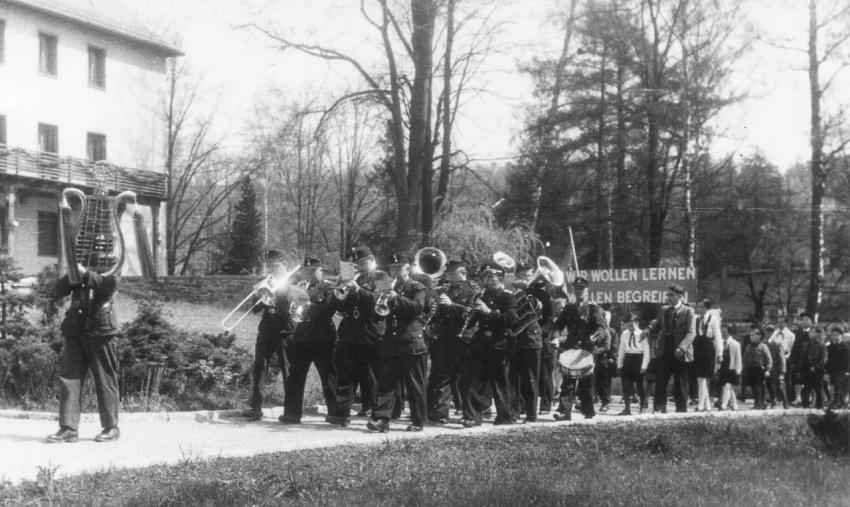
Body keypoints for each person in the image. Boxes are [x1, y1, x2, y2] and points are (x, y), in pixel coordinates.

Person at [47, 262, 121, 443]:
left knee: (105, 379)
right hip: (75, 330)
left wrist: (84, 272)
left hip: (101, 330)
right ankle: (68, 428)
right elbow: (58, 290)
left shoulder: (113, 262)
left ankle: (111, 427)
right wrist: (72, 273)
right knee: (69, 379)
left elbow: (107, 285)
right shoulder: (80, 265)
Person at [280, 257, 342, 425]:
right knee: (295, 376)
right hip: (302, 337)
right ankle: (292, 414)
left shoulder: (328, 287)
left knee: (328, 376)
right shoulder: (301, 286)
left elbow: (330, 308)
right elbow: (293, 311)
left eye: (312, 270)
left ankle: (336, 414)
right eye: (306, 271)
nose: (308, 274)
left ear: (320, 270)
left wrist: (309, 305)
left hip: (322, 338)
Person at [367, 264, 428, 433]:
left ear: (407, 270)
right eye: (392, 269)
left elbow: (417, 308)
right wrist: (378, 303)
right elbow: (379, 316)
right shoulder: (390, 288)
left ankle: (417, 421)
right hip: (392, 341)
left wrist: (395, 298)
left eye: (398, 269)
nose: (394, 272)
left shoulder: (417, 287)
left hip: (411, 341)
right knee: (386, 383)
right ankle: (381, 419)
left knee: (414, 383)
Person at [459, 261, 518, 427]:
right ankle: (472, 417)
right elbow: (474, 321)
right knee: (475, 381)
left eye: (491, 276)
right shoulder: (480, 296)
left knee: (500, 382)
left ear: (500, 277)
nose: (487, 279)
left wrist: (489, 312)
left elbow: (511, 319)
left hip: (499, 344)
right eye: (485, 276)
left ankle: (506, 416)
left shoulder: (507, 296)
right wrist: (468, 315)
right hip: (481, 344)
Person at [243, 249, 297, 421]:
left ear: (283, 263)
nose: (272, 269)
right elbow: (255, 310)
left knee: (287, 370)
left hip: (284, 331)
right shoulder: (267, 282)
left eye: (275, 265)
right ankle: (256, 407)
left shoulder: (293, 282)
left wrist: (275, 295)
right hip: (266, 330)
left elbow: (292, 309)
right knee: (258, 368)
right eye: (269, 265)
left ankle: (291, 411)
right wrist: (258, 294)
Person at [332, 245, 381, 426]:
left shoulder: (381, 277)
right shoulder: (353, 278)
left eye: (362, 262)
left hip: (370, 333)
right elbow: (340, 308)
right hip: (350, 333)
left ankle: (377, 414)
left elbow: (381, 301)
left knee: (373, 376)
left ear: (372, 260)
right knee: (346, 374)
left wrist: (359, 290)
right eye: (356, 264)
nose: (359, 267)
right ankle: (342, 414)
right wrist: (340, 295)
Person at [426, 260, 477, 423]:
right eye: (448, 274)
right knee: (442, 376)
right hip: (445, 337)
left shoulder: (473, 290)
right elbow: (440, 314)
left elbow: (470, 313)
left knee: (465, 377)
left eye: (451, 273)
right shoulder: (445, 289)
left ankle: (469, 414)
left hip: (463, 338)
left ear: (462, 273)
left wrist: (451, 304)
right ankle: (440, 414)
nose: (448, 277)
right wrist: (435, 309)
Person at [552, 277, 608, 421]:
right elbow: (557, 325)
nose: (578, 292)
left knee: (586, 384)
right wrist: (556, 338)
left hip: (586, 351)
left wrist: (595, 337)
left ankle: (588, 413)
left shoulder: (594, 309)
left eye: (581, 289)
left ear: (587, 291)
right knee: (568, 383)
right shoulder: (569, 308)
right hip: (571, 349)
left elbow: (601, 329)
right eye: (576, 289)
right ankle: (565, 412)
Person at [650, 285, 696, 413]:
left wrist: (682, 348)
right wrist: (648, 330)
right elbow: (658, 326)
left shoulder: (688, 311)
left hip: (680, 352)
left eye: (671, 295)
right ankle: (659, 409)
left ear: (680, 296)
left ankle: (681, 411)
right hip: (665, 350)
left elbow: (691, 332)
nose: (668, 298)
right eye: (667, 295)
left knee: (680, 382)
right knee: (660, 381)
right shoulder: (664, 310)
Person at [509, 262, 544, 423]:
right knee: (513, 378)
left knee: (530, 379)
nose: (525, 279)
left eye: (528, 276)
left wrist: (539, 333)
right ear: (517, 276)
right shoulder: (511, 293)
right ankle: (514, 412)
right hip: (515, 340)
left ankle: (531, 414)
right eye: (522, 275)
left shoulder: (540, 294)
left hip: (532, 340)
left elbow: (548, 319)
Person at [616, 313, 649, 415]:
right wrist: (619, 364)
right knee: (626, 385)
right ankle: (627, 408)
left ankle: (642, 406)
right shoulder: (624, 334)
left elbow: (647, 352)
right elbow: (621, 350)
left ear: (637, 323)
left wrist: (644, 366)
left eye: (632, 325)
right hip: (628, 360)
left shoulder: (642, 334)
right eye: (628, 325)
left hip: (638, 359)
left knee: (640, 386)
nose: (630, 327)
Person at [693, 299, 722, 412]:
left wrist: (720, 354)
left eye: (701, 307)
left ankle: (701, 406)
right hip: (697, 347)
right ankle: (707, 406)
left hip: (707, 348)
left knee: (702, 377)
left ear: (707, 308)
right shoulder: (695, 318)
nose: (699, 309)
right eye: (698, 307)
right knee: (700, 378)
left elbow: (718, 337)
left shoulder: (713, 319)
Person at [742, 324, 772, 410]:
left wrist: (768, 370)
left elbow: (769, 359)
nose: (751, 337)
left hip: (760, 369)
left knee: (759, 387)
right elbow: (745, 358)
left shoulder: (763, 346)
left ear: (759, 336)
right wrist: (744, 368)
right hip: (750, 370)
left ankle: (760, 403)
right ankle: (757, 402)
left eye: (754, 335)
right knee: (753, 387)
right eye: (751, 335)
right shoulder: (748, 346)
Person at [799, 326, 828, 409]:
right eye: (811, 332)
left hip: (818, 371)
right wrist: (800, 369)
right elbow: (802, 358)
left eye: (814, 332)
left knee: (818, 388)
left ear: (818, 334)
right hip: (807, 370)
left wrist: (816, 367)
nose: (811, 334)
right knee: (806, 388)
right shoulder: (805, 345)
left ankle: (820, 405)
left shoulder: (822, 345)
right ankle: (805, 405)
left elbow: (824, 359)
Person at [769, 315, 795, 404]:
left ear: (786, 323)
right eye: (778, 322)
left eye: (782, 322)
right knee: (775, 379)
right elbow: (770, 342)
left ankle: (787, 399)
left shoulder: (791, 335)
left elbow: (793, 348)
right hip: (776, 359)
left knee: (786, 379)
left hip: (787, 357)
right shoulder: (775, 333)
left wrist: (786, 357)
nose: (779, 324)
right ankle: (777, 397)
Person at [789, 313, 813, 405]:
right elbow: (794, 348)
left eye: (807, 319)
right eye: (803, 320)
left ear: (811, 322)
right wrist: (792, 360)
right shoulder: (797, 333)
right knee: (796, 378)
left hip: (810, 360)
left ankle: (809, 398)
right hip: (798, 360)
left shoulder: (814, 332)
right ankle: (798, 398)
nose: (805, 321)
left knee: (810, 380)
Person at [717, 327, 742, 411]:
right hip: (723, 368)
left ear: (728, 332)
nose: (723, 333)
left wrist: (738, 370)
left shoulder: (735, 344)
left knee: (728, 386)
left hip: (732, 369)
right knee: (728, 388)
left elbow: (738, 358)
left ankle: (723, 405)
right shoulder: (719, 343)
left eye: (724, 331)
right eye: (721, 332)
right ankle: (734, 405)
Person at [765, 324, 788, 409]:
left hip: (776, 369)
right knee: (770, 386)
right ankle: (773, 401)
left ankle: (785, 403)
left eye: (771, 331)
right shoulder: (764, 343)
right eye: (767, 331)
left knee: (780, 386)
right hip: (768, 369)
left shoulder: (777, 344)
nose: (769, 333)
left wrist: (782, 372)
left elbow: (782, 358)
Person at [826, 326, 849, 409]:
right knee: (833, 387)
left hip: (842, 371)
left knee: (840, 387)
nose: (835, 337)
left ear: (841, 336)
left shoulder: (845, 347)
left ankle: (841, 403)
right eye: (833, 335)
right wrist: (827, 371)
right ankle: (834, 402)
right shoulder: (829, 347)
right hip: (832, 371)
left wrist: (847, 371)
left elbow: (847, 360)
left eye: (837, 335)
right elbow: (828, 360)